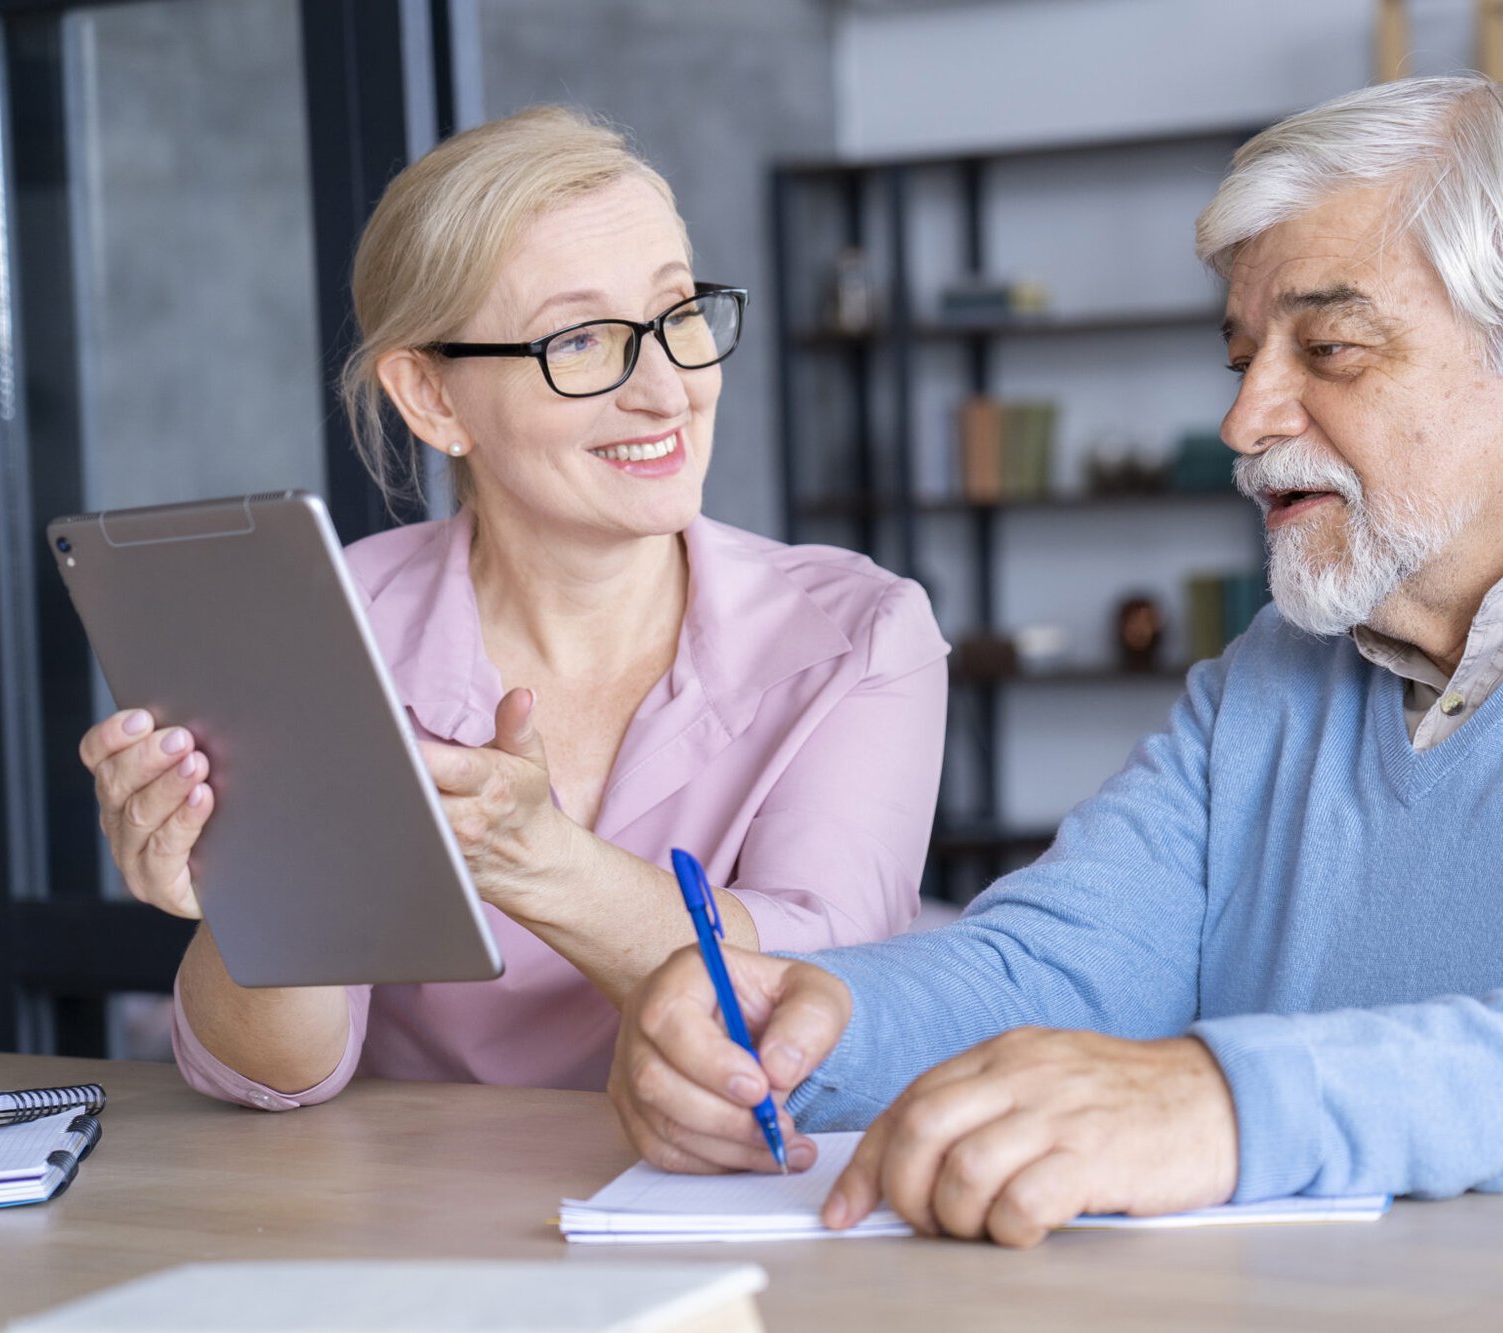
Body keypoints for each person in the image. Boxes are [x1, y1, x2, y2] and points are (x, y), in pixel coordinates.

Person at [609, 75, 1503, 1248]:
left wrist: (1237, 1101)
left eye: (1331, 348)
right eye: (1244, 357)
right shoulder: (1276, 673)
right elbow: (1060, 966)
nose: (1246, 418)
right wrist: (813, 1017)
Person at [76, 106, 949, 1109]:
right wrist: (253, 901)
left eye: (677, 315)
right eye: (579, 341)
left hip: (741, 1207)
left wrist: (542, 865)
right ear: (431, 399)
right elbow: (275, 1077)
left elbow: (823, 1015)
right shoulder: (334, 625)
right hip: (407, 1231)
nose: (667, 390)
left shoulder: (858, 634)